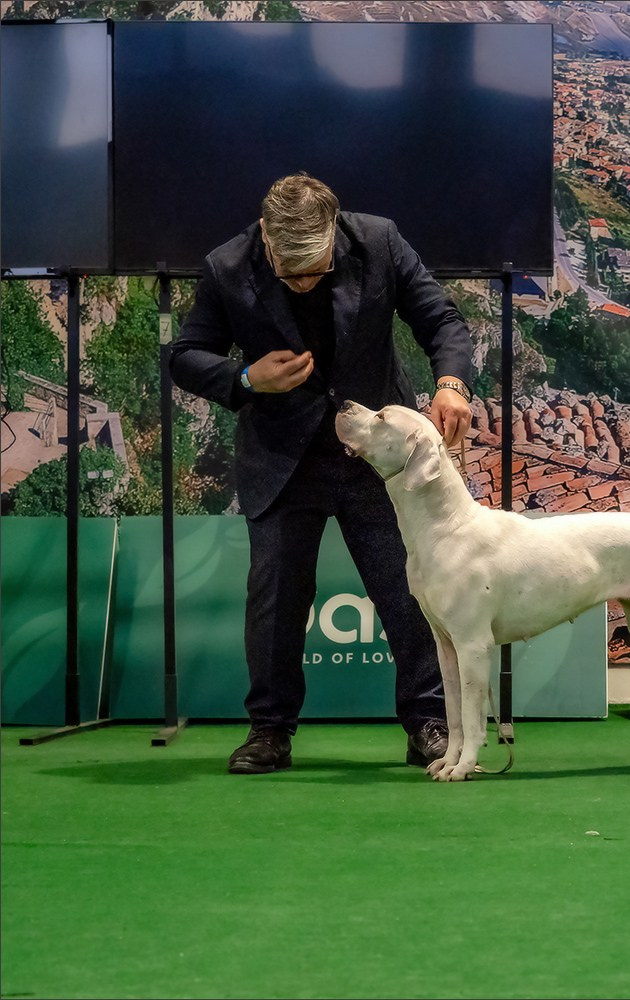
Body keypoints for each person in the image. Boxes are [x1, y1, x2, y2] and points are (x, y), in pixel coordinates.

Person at [169, 172, 474, 774]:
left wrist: (451, 383)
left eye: (318, 269)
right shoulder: (226, 266)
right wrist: (247, 377)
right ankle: (269, 730)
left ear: (334, 230)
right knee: (276, 599)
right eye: (292, 274)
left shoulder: (380, 241)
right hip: (282, 458)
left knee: (410, 590)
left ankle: (430, 721)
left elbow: (442, 319)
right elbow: (185, 356)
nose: (307, 282)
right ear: (266, 236)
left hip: (381, 459)